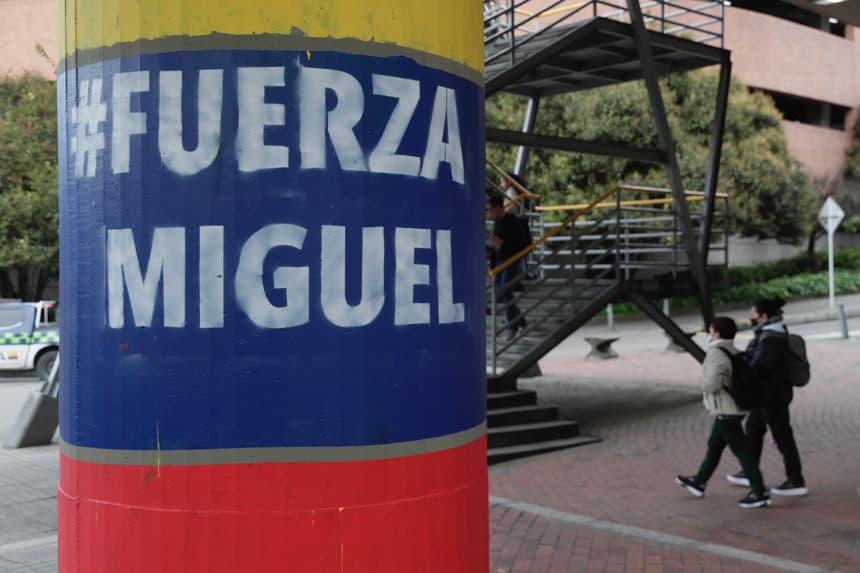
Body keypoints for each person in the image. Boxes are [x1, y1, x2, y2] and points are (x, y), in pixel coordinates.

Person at [676, 317, 772, 509]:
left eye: (711, 331)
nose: (709, 335)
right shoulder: (732, 349)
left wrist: (700, 383)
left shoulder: (715, 353)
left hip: (726, 408)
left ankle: (759, 492)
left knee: (741, 451)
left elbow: (712, 384)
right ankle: (699, 481)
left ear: (717, 333)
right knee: (714, 445)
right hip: (733, 407)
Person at [726, 297, 808, 496]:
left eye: (753, 315)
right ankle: (750, 471)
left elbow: (761, 366)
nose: (751, 319)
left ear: (763, 316)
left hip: (772, 396)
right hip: (767, 395)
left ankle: (796, 480)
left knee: (782, 436)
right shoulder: (772, 333)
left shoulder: (772, 338)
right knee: (754, 429)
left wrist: (742, 364)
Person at [486, 194, 527, 339]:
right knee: (502, 292)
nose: (489, 213)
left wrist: (502, 243)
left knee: (505, 291)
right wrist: (491, 267)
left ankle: (514, 324)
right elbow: (494, 248)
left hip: (511, 260)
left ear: (498, 207)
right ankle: (519, 321)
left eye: (490, 209)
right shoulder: (497, 222)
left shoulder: (511, 221)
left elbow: (520, 243)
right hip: (499, 261)